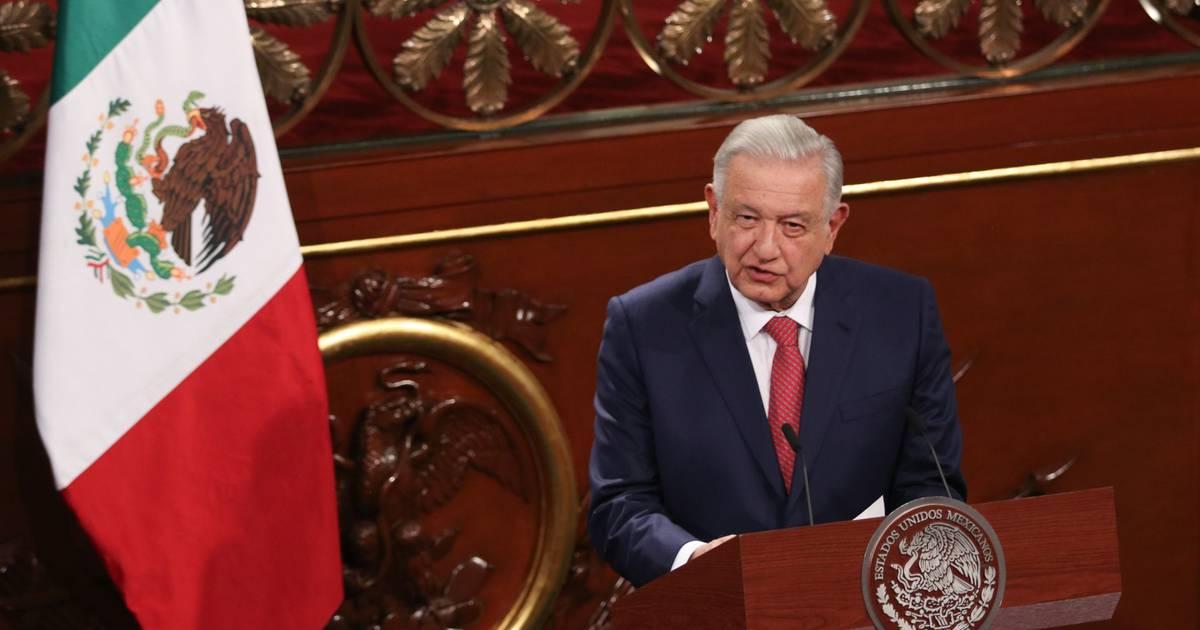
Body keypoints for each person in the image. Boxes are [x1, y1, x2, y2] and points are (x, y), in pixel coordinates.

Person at [587, 114, 967, 588]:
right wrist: (693, 560)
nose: (765, 248)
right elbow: (620, 504)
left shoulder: (901, 314)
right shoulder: (643, 326)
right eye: (747, 218)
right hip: (713, 605)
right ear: (713, 211)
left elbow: (932, 485)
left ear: (832, 226)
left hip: (862, 601)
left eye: (792, 225)